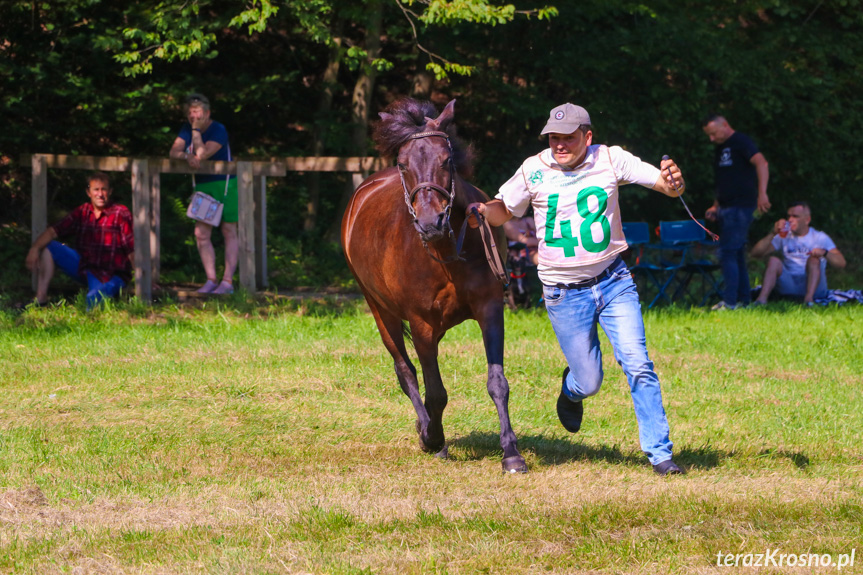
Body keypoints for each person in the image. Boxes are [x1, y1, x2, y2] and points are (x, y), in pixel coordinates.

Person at [467, 103, 686, 475]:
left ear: (587, 136)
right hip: (564, 293)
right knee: (590, 379)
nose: (559, 144)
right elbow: (505, 210)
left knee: (639, 364)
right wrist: (482, 212)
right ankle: (571, 391)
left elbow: (664, 185)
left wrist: (674, 182)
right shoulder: (533, 169)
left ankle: (660, 455)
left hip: (614, 280)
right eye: (554, 137)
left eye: (568, 137)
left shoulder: (611, 159)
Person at [24, 172, 134, 309]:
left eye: (104, 189)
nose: (100, 194)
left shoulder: (120, 212)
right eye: (96, 189)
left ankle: (90, 320)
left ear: (110, 191)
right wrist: (34, 249)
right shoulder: (82, 212)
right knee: (50, 247)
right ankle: (41, 299)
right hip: (86, 268)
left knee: (93, 298)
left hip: (112, 274)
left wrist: (143, 279)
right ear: (89, 192)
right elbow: (53, 231)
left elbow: (131, 248)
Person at [169, 93, 238, 294]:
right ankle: (210, 279)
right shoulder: (186, 129)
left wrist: (196, 131)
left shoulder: (218, 129)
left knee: (228, 231)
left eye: (197, 112)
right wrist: (186, 155)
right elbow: (174, 153)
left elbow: (203, 154)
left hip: (226, 185)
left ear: (207, 113)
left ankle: (227, 282)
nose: (194, 116)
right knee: (201, 234)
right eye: (190, 113)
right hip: (203, 187)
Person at [702, 114, 770, 310]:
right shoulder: (720, 148)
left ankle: (730, 302)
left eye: (714, 134)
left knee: (727, 252)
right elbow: (723, 181)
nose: (712, 139)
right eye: (709, 135)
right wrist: (716, 205)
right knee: (737, 252)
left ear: (725, 125)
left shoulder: (741, 141)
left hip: (741, 206)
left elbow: (762, 163)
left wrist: (762, 194)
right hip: (725, 207)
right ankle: (743, 300)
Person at [750, 201, 846, 305]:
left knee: (814, 260)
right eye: (789, 216)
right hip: (790, 284)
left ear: (807, 220)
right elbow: (756, 253)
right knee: (773, 260)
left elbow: (841, 263)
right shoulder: (784, 235)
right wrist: (773, 233)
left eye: (795, 216)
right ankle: (761, 300)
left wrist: (825, 253)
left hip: (814, 286)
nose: (790, 220)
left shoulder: (819, 237)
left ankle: (808, 301)